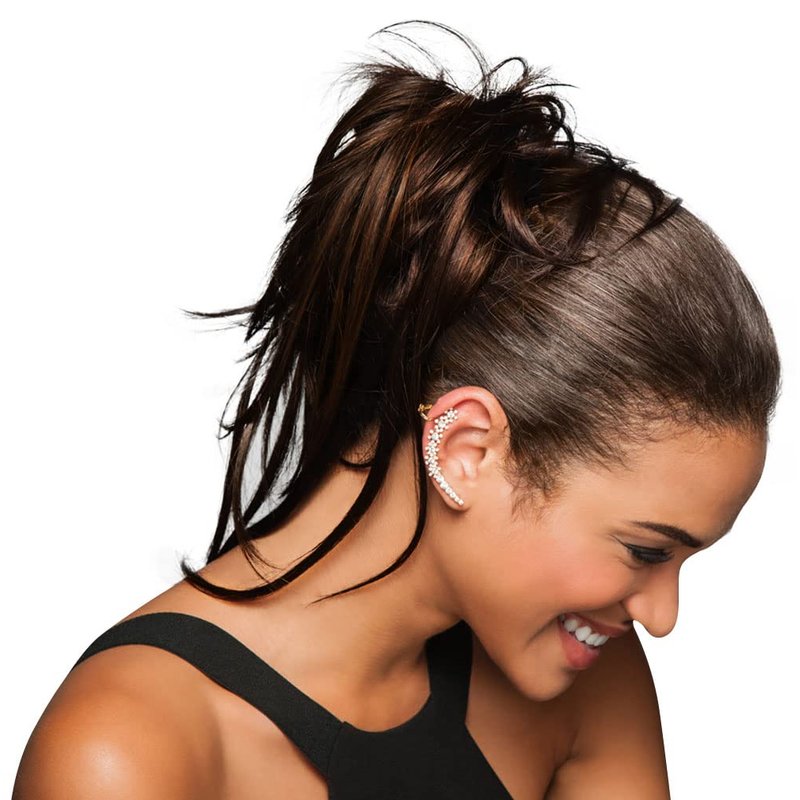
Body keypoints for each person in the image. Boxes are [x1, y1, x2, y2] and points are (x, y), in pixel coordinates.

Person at [13, 21, 780, 800]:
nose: (661, 616)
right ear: (466, 449)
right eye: (647, 551)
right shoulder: (127, 753)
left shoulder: (581, 673)